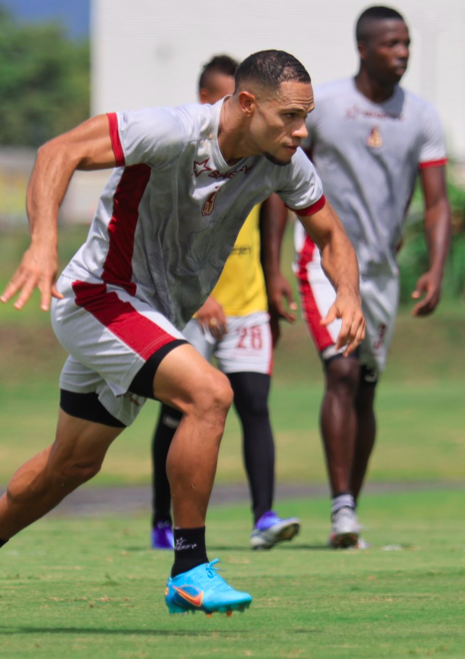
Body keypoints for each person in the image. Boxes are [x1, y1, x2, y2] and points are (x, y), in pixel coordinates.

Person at [0, 49, 366, 625]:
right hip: (97, 298)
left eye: (306, 116)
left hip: (152, 319)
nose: (301, 130)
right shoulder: (173, 131)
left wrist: (349, 295)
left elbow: (330, 234)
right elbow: (58, 151)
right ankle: (189, 570)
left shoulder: (282, 161)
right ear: (248, 103)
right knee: (209, 394)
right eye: (290, 116)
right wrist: (41, 244)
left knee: (72, 466)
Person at [265, 6, 452, 549]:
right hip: (322, 260)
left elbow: (438, 205)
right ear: (364, 49)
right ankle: (342, 510)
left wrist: (437, 267)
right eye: (392, 43)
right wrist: (273, 265)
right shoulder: (325, 108)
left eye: (407, 43)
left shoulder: (422, 116)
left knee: (366, 386)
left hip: (380, 273)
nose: (403, 52)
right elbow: (282, 178)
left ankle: (349, 507)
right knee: (342, 373)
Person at [150, 55, 300, 552]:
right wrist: (201, 296)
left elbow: (280, 209)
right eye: (221, 96)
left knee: (255, 405)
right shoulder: (182, 155)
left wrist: (274, 274)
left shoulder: (260, 157)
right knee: (176, 414)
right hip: (192, 305)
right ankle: (162, 521)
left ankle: (264, 517)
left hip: (248, 301)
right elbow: (167, 237)